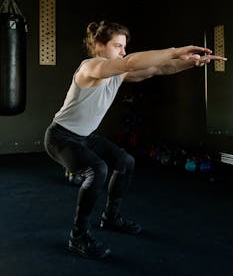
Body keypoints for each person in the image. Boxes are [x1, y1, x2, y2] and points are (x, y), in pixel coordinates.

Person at [44, 20, 226, 260]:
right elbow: (130, 62)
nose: (123, 51)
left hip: (85, 137)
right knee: (97, 169)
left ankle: (110, 217)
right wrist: (174, 51)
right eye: (118, 46)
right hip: (60, 138)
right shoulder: (91, 67)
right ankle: (78, 236)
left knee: (125, 161)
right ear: (100, 46)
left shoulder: (118, 74)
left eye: (124, 46)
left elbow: (159, 69)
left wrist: (190, 63)